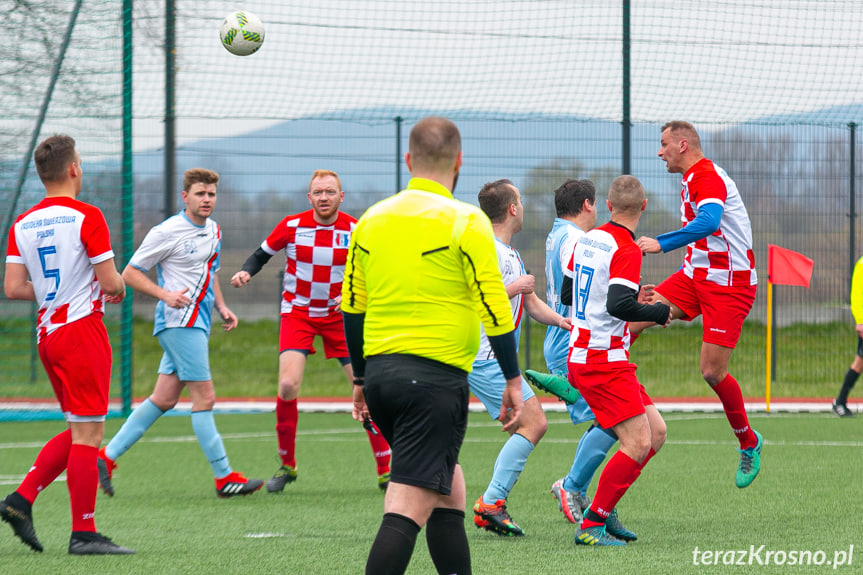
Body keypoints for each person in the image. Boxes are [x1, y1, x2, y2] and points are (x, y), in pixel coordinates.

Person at [342, 116, 523, 575]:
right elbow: (494, 308)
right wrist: (513, 379)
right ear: (459, 162)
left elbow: (352, 308)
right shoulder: (466, 221)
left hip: (382, 378)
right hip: (434, 382)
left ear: (408, 161)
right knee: (405, 505)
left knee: (449, 490)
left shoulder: (371, 220)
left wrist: (360, 380)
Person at [1, 134, 134, 554]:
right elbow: (111, 281)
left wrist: (52, 290)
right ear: (74, 168)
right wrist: (119, 288)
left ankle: (20, 501)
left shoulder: (22, 223)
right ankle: (84, 533)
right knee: (89, 434)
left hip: (48, 335)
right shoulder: (86, 215)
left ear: (42, 174)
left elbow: (13, 288)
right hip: (81, 332)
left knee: (79, 429)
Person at [96, 168, 263, 498]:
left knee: (164, 398)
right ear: (185, 196)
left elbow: (209, 272)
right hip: (179, 322)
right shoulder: (167, 231)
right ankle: (224, 477)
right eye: (200, 193)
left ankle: (105, 457)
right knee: (205, 397)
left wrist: (222, 307)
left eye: (211, 194)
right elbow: (129, 272)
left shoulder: (214, 231)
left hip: (197, 322)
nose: (206, 199)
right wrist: (165, 294)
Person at [230, 169, 391, 492]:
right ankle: (287, 466)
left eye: (330, 192)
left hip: (341, 317)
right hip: (298, 314)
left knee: (367, 391)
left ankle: (386, 470)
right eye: (318, 192)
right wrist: (246, 272)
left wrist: (363, 297)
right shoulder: (291, 225)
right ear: (310, 197)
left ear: (341, 197)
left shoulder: (355, 230)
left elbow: (374, 269)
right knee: (288, 385)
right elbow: (260, 255)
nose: (324, 197)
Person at [635, 121, 763, 488]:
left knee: (711, 372)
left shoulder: (705, 176)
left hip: (730, 286)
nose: (659, 152)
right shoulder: (690, 179)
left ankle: (748, 442)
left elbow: (709, 221)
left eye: (663, 145)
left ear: (683, 144)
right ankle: (582, 385)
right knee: (633, 320)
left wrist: (662, 242)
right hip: (695, 276)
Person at [567, 175, 671, 546]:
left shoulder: (588, 239)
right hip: (603, 359)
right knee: (638, 441)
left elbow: (569, 290)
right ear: (643, 207)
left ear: (608, 205)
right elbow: (616, 305)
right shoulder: (627, 248)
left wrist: (629, 294)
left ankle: (603, 510)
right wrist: (658, 311)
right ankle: (592, 523)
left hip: (588, 353)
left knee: (656, 433)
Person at [469, 179, 571, 537]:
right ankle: (491, 503)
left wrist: (561, 321)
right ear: (512, 208)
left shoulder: (509, 252)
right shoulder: (487, 250)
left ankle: (491, 503)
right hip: (482, 356)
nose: (524, 206)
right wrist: (516, 287)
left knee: (531, 423)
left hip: (495, 359)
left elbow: (529, 304)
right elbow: (475, 298)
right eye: (521, 201)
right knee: (534, 423)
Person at [528, 179, 618, 528]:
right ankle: (571, 486)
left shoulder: (558, 233)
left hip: (561, 336)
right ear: (587, 204)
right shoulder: (575, 239)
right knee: (612, 419)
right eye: (596, 204)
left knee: (607, 420)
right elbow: (571, 289)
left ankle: (577, 489)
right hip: (570, 337)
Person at [832, 255, 863, 417]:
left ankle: (840, 401)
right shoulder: (862, 264)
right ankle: (840, 402)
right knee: (859, 363)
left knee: (859, 363)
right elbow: (857, 295)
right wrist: (860, 321)